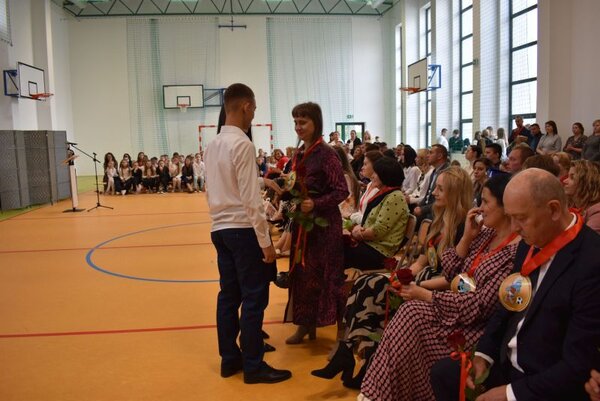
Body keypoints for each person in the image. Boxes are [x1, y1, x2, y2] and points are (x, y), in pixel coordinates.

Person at [430, 168, 600, 401]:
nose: (514, 228)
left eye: (520, 218)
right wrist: (483, 355)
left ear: (553, 210)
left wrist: (510, 393)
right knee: (445, 373)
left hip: (543, 377)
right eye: (510, 217)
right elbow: (507, 304)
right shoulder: (529, 242)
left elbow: (577, 363)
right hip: (508, 362)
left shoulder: (591, 262)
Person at [358, 175, 519, 401]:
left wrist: (425, 293)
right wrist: (466, 238)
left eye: (485, 202)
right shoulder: (483, 233)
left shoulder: (514, 251)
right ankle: (378, 390)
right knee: (405, 310)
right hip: (455, 306)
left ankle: (377, 393)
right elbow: (450, 270)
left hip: (474, 326)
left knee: (410, 312)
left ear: (506, 207)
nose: (480, 208)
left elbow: (481, 305)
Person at [314, 167, 472, 391]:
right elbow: (421, 261)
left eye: (440, 189)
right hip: (423, 279)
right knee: (365, 283)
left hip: (437, 288)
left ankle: (365, 360)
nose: (434, 193)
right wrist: (402, 276)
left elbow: (455, 279)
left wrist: (416, 285)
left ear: (455, 193)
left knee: (377, 291)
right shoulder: (439, 220)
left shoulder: (464, 229)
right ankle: (351, 351)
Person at [204, 83, 291, 384]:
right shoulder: (243, 144)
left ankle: (230, 359)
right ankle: (253, 365)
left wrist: (262, 181)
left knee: (229, 297)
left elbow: (220, 186)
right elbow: (250, 201)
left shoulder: (213, 145)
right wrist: (265, 242)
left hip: (220, 228)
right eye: (254, 108)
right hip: (243, 231)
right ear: (245, 106)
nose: (254, 115)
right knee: (254, 298)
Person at [284, 102, 349, 344]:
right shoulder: (299, 153)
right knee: (302, 275)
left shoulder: (327, 154)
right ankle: (305, 324)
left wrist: (316, 203)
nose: (298, 127)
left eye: (303, 122)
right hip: (303, 225)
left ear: (316, 123)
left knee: (328, 277)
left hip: (324, 227)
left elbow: (341, 190)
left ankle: (340, 334)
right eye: (295, 122)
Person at [344, 157, 408, 270]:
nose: (372, 176)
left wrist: (357, 233)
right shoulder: (385, 194)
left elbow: (378, 231)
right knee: (336, 242)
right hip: (370, 244)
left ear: (385, 175)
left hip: (379, 251)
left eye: (376, 173)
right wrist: (358, 229)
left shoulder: (395, 197)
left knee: (335, 248)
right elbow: (370, 223)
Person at [414, 144, 450, 221]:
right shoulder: (434, 171)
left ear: (439, 156)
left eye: (431, 153)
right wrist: (419, 206)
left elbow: (442, 201)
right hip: (429, 209)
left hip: (438, 212)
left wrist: (422, 209)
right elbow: (428, 194)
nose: (427, 156)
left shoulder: (447, 173)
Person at [564, 159, 600, 234]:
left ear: (586, 183)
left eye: (572, 178)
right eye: (568, 176)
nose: (565, 181)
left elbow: (588, 240)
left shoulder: (597, 214)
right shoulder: (571, 206)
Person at [349, 150, 384, 225]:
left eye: (365, 164)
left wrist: (351, 216)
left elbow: (370, 221)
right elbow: (362, 212)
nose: (362, 167)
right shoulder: (370, 184)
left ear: (375, 166)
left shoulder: (379, 189)